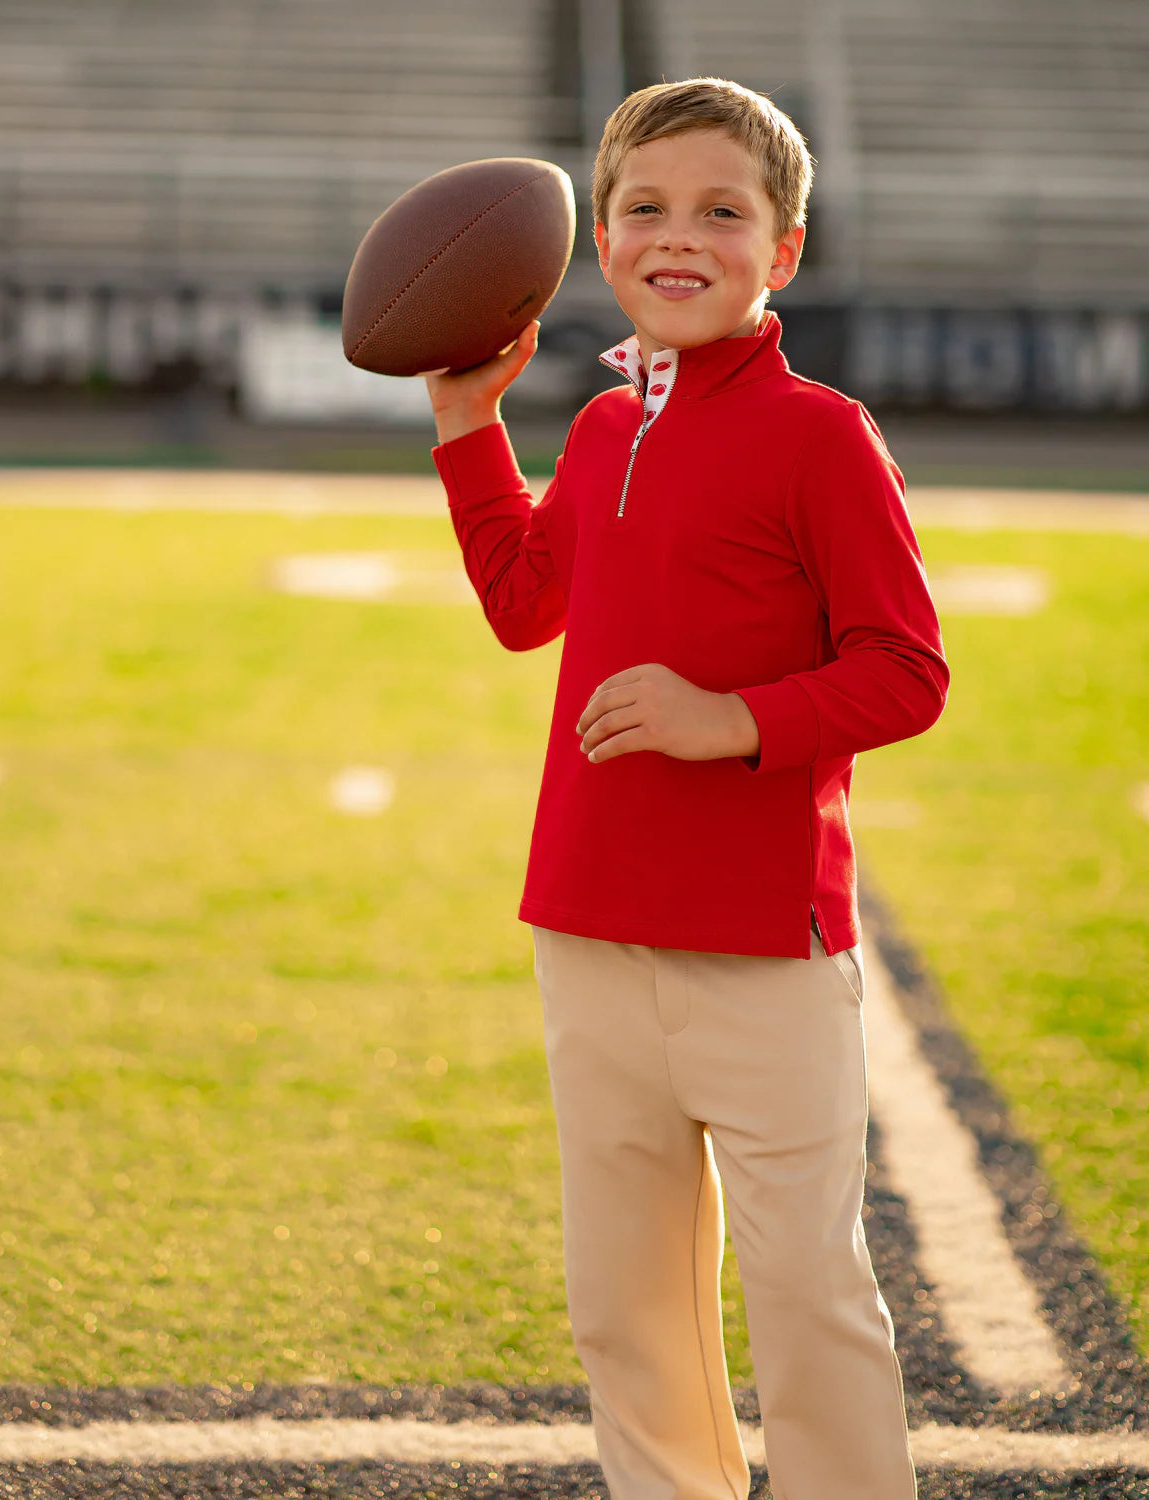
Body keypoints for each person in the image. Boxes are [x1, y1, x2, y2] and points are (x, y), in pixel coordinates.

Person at [423, 76, 949, 1500]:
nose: (680, 238)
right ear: (599, 242)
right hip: (587, 923)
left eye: (724, 212)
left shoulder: (821, 434)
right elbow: (527, 603)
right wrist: (473, 424)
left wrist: (733, 719)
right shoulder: (600, 430)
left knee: (807, 1304)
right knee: (628, 1310)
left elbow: (908, 671)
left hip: (767, 946)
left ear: (781, 252)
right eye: (645, 209)